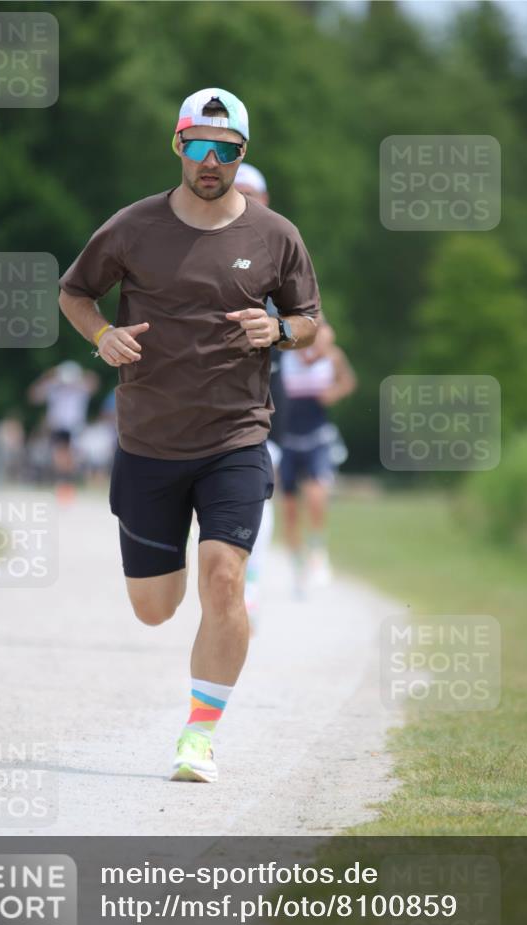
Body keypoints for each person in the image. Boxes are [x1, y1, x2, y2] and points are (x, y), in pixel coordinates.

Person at [58, 88, 321, 782]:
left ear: (242, 155)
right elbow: (74, 293)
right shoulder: (133, 228)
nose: (211, 160)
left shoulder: (276, 236)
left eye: (226, 149)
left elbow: (308, 319)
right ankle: (176, 623)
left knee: (225, 579)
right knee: (155, 608)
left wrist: (282, 330)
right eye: (199, 146)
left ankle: (199, 737)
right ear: (178, 145)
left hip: (236, 436)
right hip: (148, 442)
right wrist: (104, 335)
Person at [233, 163, 286, 631]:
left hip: (268, 401)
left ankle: (250, 579)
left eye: (252, 194)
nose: (245, 200)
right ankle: (228, 570)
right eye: (238, 192)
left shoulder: (280, 249)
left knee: (256, 493)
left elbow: (312, 322)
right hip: (212, 403)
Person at [280, 331, 356, 593]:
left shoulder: (332, 356)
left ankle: (317, 551)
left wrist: (333, 392)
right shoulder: (284, 355)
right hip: (288, 439)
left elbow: (348, 381)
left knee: (316, 495)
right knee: (289, 510)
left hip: (318, 436)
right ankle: (296, 566)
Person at [28, 361, 99, 501]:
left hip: (74, 426)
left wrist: (79, 379)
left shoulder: (80, 388)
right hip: (58, 426)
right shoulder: (54, 387)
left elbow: (94, 384)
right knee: (59, 458)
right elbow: (34, 396)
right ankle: (63, 485)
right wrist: (48, 377)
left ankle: (67, 485)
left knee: (71, 459)